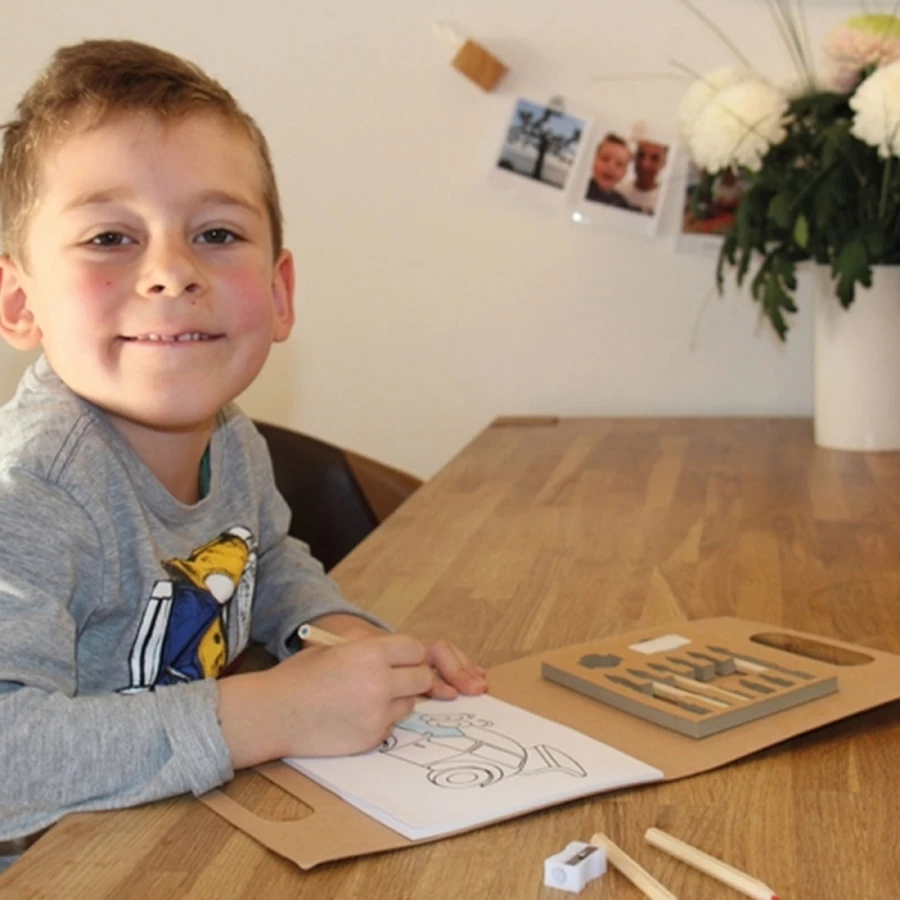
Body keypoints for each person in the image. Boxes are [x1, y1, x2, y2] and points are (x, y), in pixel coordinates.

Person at [0, 39, 487, 866]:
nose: (171, 272)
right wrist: (274, 712)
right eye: (110, 237)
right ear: (20, 303)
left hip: (178, 833)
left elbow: (264, 559)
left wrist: (341, 638)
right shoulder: (32, 493)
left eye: (217, 233)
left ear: (279, 292)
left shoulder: (232, 438)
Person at [583, 133, 634, 210]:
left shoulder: (622, 204)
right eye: (605, 159)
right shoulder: (581, 190)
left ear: (624, 173)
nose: (611, 167)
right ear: (594, 161)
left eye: (619, 164)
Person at [620, 139, 668, 215]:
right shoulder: (618, 191)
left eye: (655, 158)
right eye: (641, 155)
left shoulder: (666, 201)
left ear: (663, 163)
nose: (645, 164)